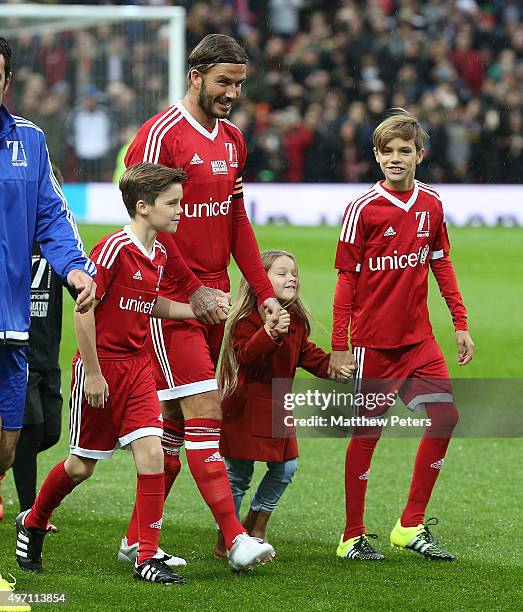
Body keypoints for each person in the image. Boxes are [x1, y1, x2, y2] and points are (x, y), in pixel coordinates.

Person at [14, 163, 229, 584]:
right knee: (80, 467)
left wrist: (197, 310)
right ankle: (34, 520)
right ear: (144, 207)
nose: (180, 211)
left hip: (138, 370)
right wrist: (93, 374)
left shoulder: (161, 253)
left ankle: (145, 556)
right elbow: (84, 310)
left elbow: (149, 304)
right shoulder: (113, 250)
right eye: (173, 204)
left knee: (151, 456)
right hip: (101, 372)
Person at [121, 33, 279, 570]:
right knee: (203, 411)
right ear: (196, 76)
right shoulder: (160, 134)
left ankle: (136, 537)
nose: (232, 93)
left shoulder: (233, 139)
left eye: (238, 83)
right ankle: (236, 540)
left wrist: (261, 294)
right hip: (168, 297)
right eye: (223, 82)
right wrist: (192, 289)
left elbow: (237, 222)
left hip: (213, 299)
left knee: (176, 423)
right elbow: (145, 223)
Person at [329, 109, 474, 561]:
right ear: (376, 156)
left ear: (420, 155)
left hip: (419, 341)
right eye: (387, 151)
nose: (396, 158)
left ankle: (409, 525)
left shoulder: (431, 203)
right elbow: (346, 280)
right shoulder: (362, 210)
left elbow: (441, 263)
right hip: (375, 345)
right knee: (366, 436)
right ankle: (352, 536)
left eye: (404, 151)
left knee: (445, 419)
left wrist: (460, 321)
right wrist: (339, 344)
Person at [214, 250, 354, 558]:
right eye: (282, 273)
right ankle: (228, 538)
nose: (292, 277)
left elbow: (307, 354)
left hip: (277, 408)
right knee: (238, 475)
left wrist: (335, 368)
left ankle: (256, 522)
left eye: (294, 273)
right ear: (258, 282)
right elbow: (246, 356)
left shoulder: (296, 320)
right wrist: (268, 332)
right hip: (245, 407)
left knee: (286, 467)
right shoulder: (245, 318)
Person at [0, 37, 96, 483]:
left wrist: (74, 266)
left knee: (7, 448)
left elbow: (53, 215)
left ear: (6, 81)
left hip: (12, 322)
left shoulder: (30, 141)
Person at [9, 165, 74, 528]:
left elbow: (75, 283)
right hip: (16, 350)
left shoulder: (57, 242)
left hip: (48, 352)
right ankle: (29, 512)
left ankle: (7, 462)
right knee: (31, 430)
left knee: (48, 431)